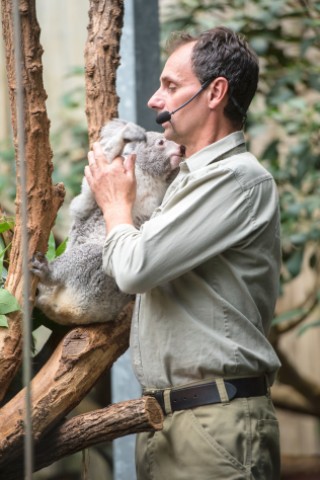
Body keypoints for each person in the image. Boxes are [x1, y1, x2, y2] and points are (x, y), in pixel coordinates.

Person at [85, 26, 281, 480]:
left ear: (215, 93)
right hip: (165, 421)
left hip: (215, 423)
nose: (155, 100)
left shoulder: (235, 179)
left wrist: (117, 204)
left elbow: (134, 269)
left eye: (171, 86)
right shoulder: (190, 179)